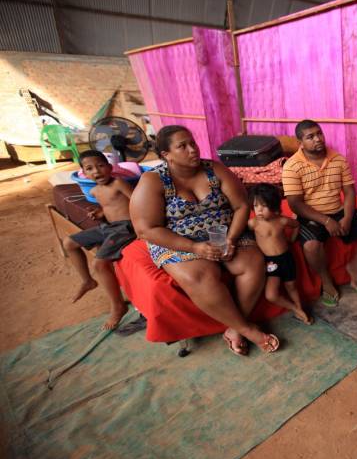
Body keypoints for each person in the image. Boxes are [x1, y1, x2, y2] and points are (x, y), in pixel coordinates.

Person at [129, 125, 279, 356]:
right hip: (179, 241)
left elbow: (240, 206)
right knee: (201, 276)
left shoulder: (214, 169)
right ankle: (248, 329)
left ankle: (234, 328)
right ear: (166, 155)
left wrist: (231, 238)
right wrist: (194, 247)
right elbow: (146, 229)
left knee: (252, 263)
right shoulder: (153, 181)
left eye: (193, 143)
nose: (192, 149)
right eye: (182, 146)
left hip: (225, 234)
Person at [282, 120, 357, 307]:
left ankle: (353, 267)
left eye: (319, 134)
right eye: (310, 137)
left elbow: (350, 191)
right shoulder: (291, 166)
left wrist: (347, 217)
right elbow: (295, 204)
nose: (317, 139)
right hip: (310, 215)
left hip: (338, 211)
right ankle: (326, 281)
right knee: (311, 246)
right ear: (300, 143)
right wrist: (327, 221)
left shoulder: (338, 159)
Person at [63, 150, 137, 330]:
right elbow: (111, 208)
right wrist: (99, 214)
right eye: (89, 168)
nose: (96, 171)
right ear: (84, 174)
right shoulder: (95, 191)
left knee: (99, 263)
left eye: (101, 165)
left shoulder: (118, 183)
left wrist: (143, 227)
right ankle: (88, 281)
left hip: (126, 227)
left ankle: (118, 306)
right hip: (109, 227)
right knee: (69, 243)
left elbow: (137, 201)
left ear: (110, 167)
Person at [248, 183, 312, 325]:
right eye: (256, 205)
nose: (259, 210)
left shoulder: (282, 221)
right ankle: (295, 308)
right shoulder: (253, 224)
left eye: (264, 206)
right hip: (271, 262)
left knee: (292, 287)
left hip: (286, 258)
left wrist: (291, 239)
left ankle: (299, 309)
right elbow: (246, 235)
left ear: (274, 206)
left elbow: (296, 225)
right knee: (271, 295)